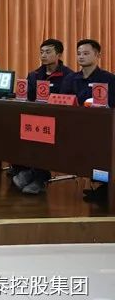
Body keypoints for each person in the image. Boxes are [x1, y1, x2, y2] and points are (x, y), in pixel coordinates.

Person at [11, 39, 73, 195]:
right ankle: (31, 173)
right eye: (41, 52)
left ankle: (38, 177)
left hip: (58, 122)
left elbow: (68, 99)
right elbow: (27, 97)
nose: (43, 55)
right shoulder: (34, 75)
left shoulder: (69, 75)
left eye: (48, 52)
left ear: (59, 54)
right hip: (34, 120)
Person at [60, 39, 115, 202]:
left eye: (86, 53)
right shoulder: (70, 78)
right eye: (78, 54)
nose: (81, 57)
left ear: (97, 55)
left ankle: (105, 188)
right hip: (74, 127)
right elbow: (63, 101)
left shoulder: (109, 79)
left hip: (101, 130)